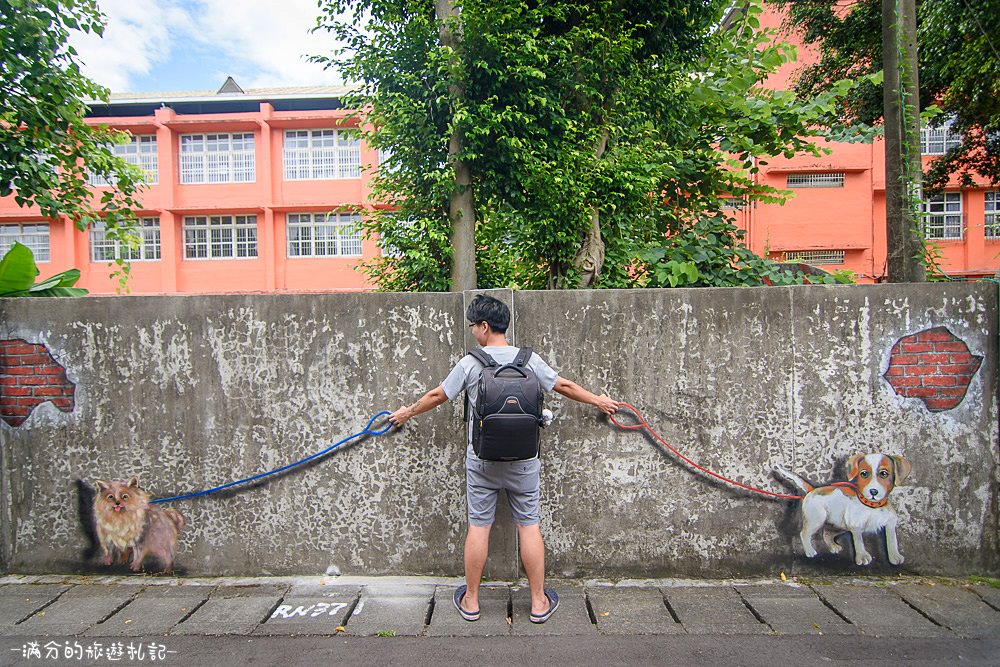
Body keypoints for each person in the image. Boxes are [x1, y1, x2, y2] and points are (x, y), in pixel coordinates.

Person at [388, 295, 618, 624]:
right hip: (524, 460)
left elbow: (438, 395)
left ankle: (471, 601)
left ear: (484, 326)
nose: (472, 332)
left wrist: (406, 413)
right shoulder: (528, 360)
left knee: (479, 526)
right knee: (529, 525)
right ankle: (538, 602)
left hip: (482, 460)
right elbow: (564, 386)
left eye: (473, 326)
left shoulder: (471, 363)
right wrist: (599, 401)